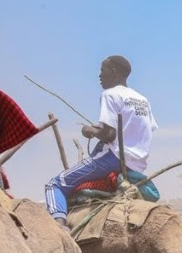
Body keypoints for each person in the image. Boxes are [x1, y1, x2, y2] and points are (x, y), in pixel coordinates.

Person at [44, 56, 156, 227]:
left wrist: (89, 130)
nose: (99, 75)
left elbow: (109, 135)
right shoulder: (142, 99)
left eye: (102, 70)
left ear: (113, 71)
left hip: (112, 159)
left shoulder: (110, 94)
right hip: (137, 164)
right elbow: (145, 128)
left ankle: (60, 229)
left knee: (55, 185)